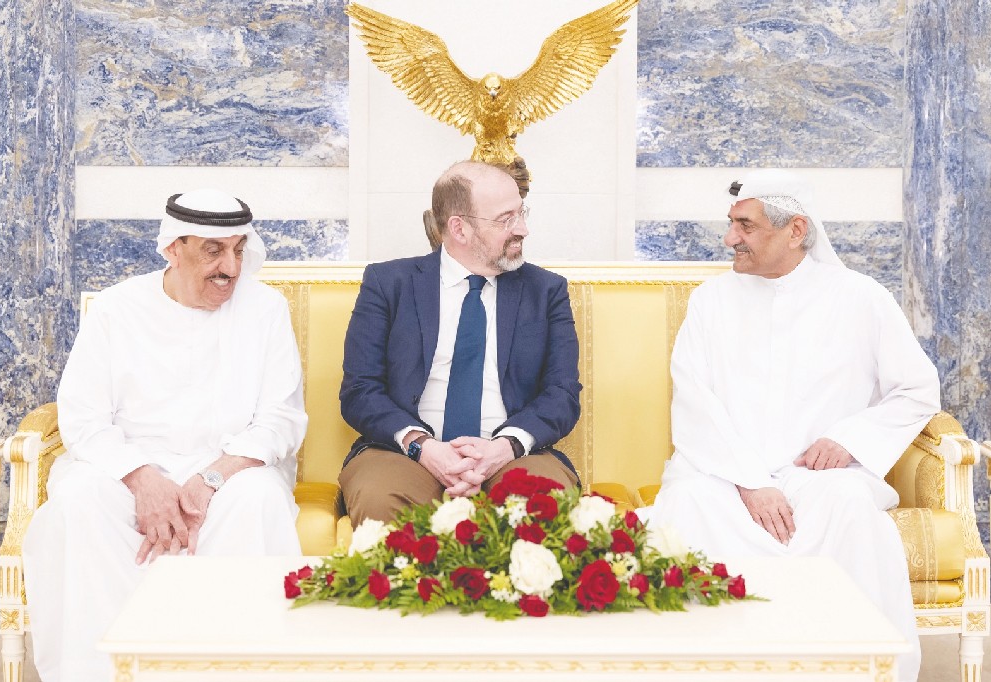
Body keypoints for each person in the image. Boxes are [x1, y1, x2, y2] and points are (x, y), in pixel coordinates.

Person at [636, 169, 939, 682]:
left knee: (848, 507)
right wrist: (750, 480)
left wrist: (849, 439)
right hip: (725, 475)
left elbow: (917, 390)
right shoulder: (711, 300)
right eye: (732, 223)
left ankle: (857, 671)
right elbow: (693, 398)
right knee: (688, 504)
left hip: (817, 478)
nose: (730, 238)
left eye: (746, 226)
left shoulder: (860, 297)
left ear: (796, 230)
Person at [22, 189, 308, 682]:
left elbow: (280, 418)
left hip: (229, 472)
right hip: (126, 469)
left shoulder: (266, 309)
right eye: (213, 251)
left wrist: (212, 478)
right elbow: (84, 417)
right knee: (77, 505)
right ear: (173, 249)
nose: (231, 268)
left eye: (238, 250)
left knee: (259, 500)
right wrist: (142, 479)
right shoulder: (116, 308)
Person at [339, 160, 581, 525]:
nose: (523, 229)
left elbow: (562, 394)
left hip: (515, 454)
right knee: (381, 500)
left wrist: (504, 447)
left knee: (542, 504)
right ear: (459, 228)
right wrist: (423, 446)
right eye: (506, 219)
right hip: (403, 452)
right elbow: (360, 390)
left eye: (521, 214)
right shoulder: (388, 284)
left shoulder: (546, 292)